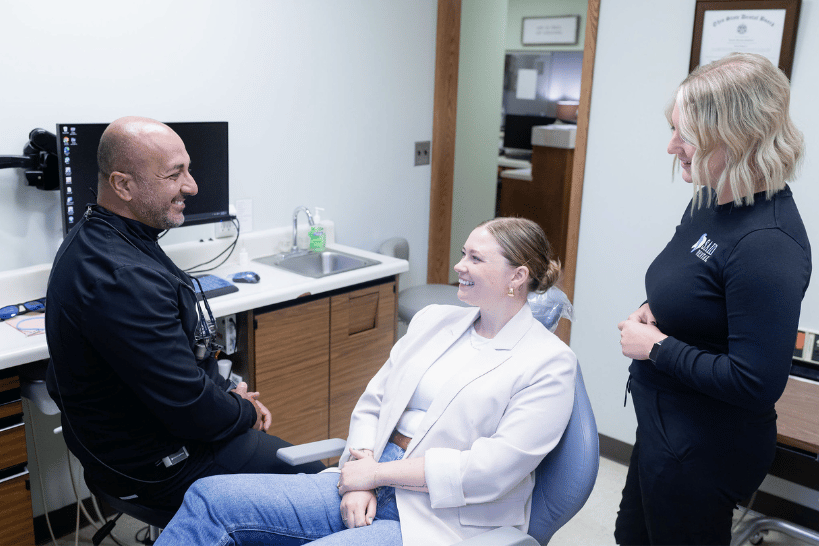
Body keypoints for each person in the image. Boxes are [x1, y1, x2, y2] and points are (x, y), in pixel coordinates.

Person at [154, 217, 577, 546]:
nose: (458, 266)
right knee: (210, 499)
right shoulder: (435, 322)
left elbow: (490, 471)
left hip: (444, 516)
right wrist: (361, 469)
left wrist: (377, 476)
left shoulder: (550, 363)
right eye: (463, 253)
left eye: (475, 259)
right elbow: (375, 401)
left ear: (517, 278)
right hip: (369, 470)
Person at [45, 116, 323, 513]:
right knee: (314, 481)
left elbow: (176, 373)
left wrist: (227, 394)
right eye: (175, 175)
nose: (192, 186)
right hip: (161, 469)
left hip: (148, 440)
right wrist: (242, 410)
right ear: (123, 185)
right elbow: (188, 405)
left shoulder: (107, 235)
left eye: (187, 170)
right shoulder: (122, 277)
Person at [615, 53, 811, 545]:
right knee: (630, 538)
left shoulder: (768, 244)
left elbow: (755, 382)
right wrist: (656, 308)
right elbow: (693, 280)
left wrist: (655, 346)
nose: (671, 146)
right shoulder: (710, 198)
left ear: (737, 135)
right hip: (663, 421)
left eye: (685, 134)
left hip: (705, 446)